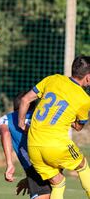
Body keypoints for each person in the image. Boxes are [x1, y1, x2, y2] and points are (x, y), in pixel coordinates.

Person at [18, 55, 90, 199]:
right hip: (55, 144)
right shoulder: (85, 99)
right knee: (82, 164)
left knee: (58, 182)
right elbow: (78, 127)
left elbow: (25, 99)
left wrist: (21, 122)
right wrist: (69, 119)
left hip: (33, 145)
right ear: (87, 77)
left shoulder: (53, 79)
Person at [0, 91, 51, 199]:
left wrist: (10, 164)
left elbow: (5, 133)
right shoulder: (42, 117)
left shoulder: (5, 119)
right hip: (51, 159)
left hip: (34, 166)